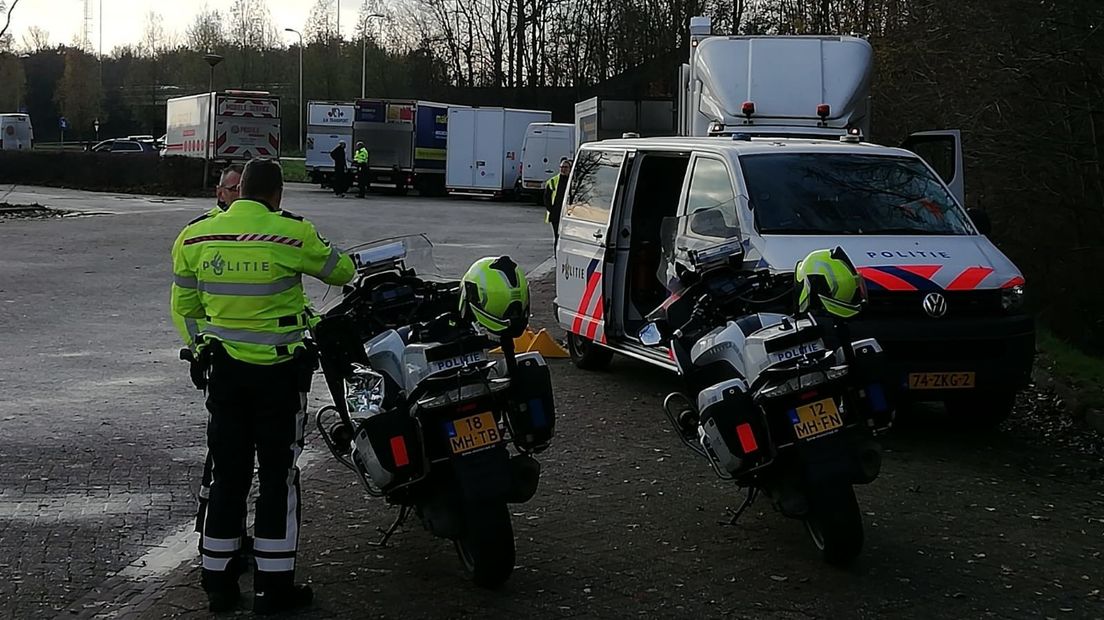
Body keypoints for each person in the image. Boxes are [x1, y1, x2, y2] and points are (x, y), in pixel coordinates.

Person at [170, 158, 356, 614]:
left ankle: (217, 583)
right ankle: (273, 590)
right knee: (278, 478)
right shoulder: (291, 233)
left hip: (226, 379)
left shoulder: (194, 237)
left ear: (238, 190)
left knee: (228, 476)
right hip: (278, 377)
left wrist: (200, 350)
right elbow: (343, 271)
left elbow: (185, 307)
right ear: (277, 195)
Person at [188, 163, 253, 573]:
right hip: (224, 362)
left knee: (235, 458)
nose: (232, 193)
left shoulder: (265, 228)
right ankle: (215, 536)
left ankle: (225, 543)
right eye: (229, 187)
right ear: (222, 193)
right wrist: (199, 348)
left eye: (239, 187)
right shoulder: (202, 231)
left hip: (258, 362)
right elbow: (186, 302)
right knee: (224, 459)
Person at [543, 157, 572, 243]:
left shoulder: (573, 181)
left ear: (570, 169)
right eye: (562, 167)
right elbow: (546, 198)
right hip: (556, 214)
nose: (563, 169)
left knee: (567, 237)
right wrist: (551, 210)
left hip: (569, 214)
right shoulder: (552, 181)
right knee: (558, 236)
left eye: (566, 167)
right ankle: (557, 254)